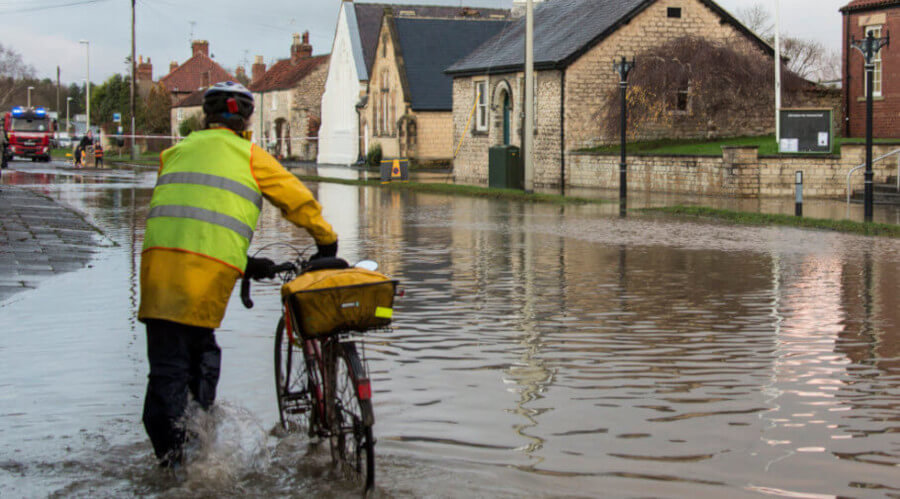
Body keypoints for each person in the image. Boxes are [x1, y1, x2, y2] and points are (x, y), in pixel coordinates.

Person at [138, 81, 338, 468]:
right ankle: (192, 459)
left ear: (205, 117)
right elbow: (296, 199)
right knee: (198, 363)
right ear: (245, 120)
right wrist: (327, 242)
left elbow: (190, 219)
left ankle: (173, 460)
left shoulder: (173, 153)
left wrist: (243, 263)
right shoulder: (249, 156)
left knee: (168, 368)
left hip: (157, 272)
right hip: (202, 279)